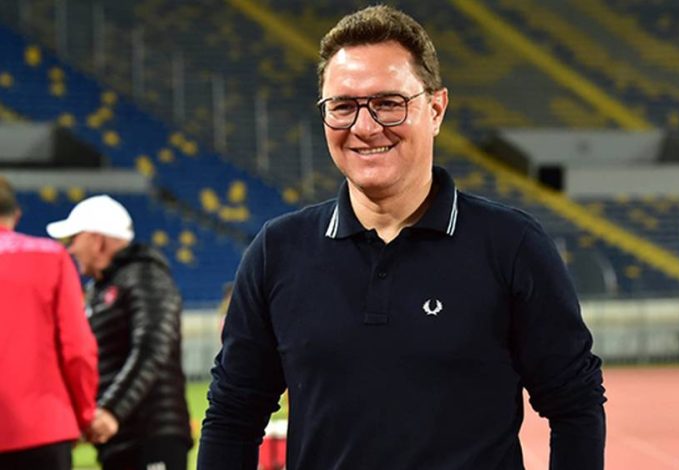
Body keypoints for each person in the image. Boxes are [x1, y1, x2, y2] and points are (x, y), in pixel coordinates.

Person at [198, 5, 606, 470]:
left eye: (389, 103)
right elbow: (233, 415)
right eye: (343, 106)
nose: (365, 127)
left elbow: (575, 404)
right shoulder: (277, 252)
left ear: (436, 109)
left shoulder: (512, 246)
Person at [46, 194, 193, 470]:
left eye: (74, 239)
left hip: (151, 437)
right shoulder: (100, 289)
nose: (71, 249)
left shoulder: (146, 276)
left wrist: (112, 410)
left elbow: (152, 347)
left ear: (97, 240)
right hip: (119, 440)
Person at [0, 177, 98, 470]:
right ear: (16, 214)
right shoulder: (51, 256)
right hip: (42, 429)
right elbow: (77, 348)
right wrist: (85, 414)